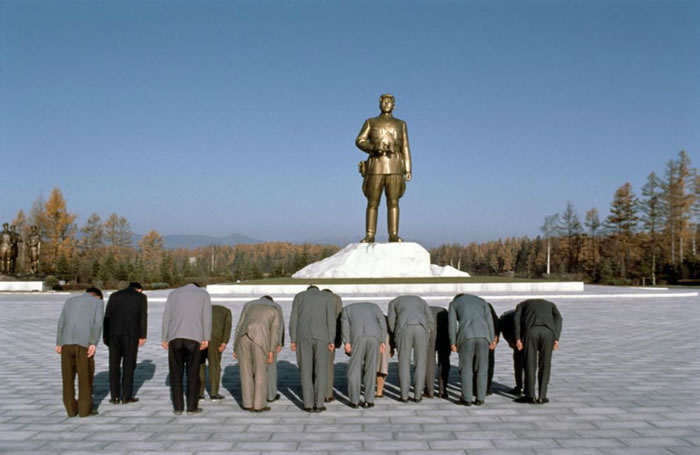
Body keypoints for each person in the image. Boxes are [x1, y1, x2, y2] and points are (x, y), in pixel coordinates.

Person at [355, 93, 412, 242]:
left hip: (395, 166)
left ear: (394, 105)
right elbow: (360, 140)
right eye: (384, 102)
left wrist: (408, 169)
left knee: (393, 202)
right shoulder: (370, 122)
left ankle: (393, 234)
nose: (387, 104)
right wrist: (373, 147)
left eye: (389, 102)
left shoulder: (401, 124)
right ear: (380, 104)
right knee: (372, 202)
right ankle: (370, 234)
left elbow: (405, 147)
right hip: (376, 166)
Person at [162, 283, 212, 415]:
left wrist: (165, 337)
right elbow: (207, 317)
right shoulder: (203, 294)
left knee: (175, 374)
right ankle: (192, 407)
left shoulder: (173, 293)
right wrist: (206, 338)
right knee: (193, 373)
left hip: (175, 337)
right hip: (194, 338)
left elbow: (167, 316)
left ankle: (178, 407)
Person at [55, 287, 104, 417]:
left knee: (67, 377)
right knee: (85, 377)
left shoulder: (69, 301)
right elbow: (98, 324)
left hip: (66, 343)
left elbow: (61, 322)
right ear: (97, 296)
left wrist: (59, 343)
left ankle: (70, 410)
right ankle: (84, 410)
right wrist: (93, 342)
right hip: (84, 343)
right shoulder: (98, 302)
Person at [289, 285, 336, 412]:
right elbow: (331, 320)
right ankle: (319, 403)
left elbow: (294, 319)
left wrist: (293, 339)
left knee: (305, 371)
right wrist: (331, 339)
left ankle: (308, 404)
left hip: (303, 336)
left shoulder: (299, 297)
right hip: (322, 337)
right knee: (321, 371)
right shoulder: (326, 297)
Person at [233, 297, 282, 412]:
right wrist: (271, 351)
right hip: (260, 341)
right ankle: (259, 405)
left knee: (245, 372)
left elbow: (239, 326)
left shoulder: (249, 307)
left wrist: (235, 347)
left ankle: (247, 403)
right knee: (261, 372)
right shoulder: (274, 310)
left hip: (243, 338)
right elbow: (275, 332)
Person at [103, 282, 148, 404]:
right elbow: (143, 316)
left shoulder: (114, 295)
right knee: (129, 364)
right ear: (139, 289)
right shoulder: (141, 297)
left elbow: (107, 316)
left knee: (114, 365)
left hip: (113, 334)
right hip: (131, 334)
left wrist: (105, 336)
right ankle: (126, 396)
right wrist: (143, 335)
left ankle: (115, 396)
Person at [448, 294, 496, 406]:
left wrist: (453, 342)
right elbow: (489, 320)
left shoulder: (454, 304)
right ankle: (480, 398)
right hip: (484, 336)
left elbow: (452, 324)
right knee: (482, 368)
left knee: (466, 368)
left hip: (466, 336)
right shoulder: (482, 301)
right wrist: (492, 338)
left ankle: (467, 399)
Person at [514, 299, 563, 405]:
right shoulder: (551, 305)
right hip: (548, 333)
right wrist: (556, 338)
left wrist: (518, 338)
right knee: (545, 364)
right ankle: (542, 396)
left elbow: (516, 320)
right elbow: (559, 318)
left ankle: (530, 395)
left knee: (530, 363)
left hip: (531, 331)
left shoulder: (521, 305)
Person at [388, 295, 433, 402]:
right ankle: (418, 395)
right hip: (421, 328)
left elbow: (391, 322)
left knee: (403, 363)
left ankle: (404, 396)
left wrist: (396, 334)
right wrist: (428, 329)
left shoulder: (393, 302)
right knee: (421, 363)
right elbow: (430, 318)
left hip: (403, 328)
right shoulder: (421, 300)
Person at [341, 302, 387, 408]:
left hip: (357, 337)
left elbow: (345, 326)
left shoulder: (347, 309)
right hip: (374, 337)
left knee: (354, 369)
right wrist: (382, 340)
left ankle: (354, 401)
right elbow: (382, 323)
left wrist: (347, 342)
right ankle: (369, 400)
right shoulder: (375, 306)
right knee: (371, 369)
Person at [199, 304, 232, 401]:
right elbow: (227, 327)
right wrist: (224, 342)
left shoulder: (200, 309)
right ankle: (214, 393)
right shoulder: (226, 311)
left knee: (199, 365)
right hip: (215, 339)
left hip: (200, 338)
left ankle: (199, 393)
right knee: (214, 366)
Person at [261, 296, 284, 403]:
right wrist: (279, 342)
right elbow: (280, 326)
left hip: (253, 339)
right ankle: (270, 395)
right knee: (270, 368)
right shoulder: (276, 307)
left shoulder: (250, 306)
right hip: (270, 340)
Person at [425, 306, 451, 399]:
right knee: (444, 361)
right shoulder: (444, 312)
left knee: (429, 362)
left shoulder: (425, 310)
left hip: (430, 333)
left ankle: (429, 390)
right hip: (445, 333)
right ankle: (443, 390)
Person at [322, 288, 343, 402]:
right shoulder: (335, 299)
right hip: (330, 337)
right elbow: (339, 319)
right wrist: (338, 339)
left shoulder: (312, 299)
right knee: (328, 366)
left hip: (311, 336)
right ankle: (327, 394)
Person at [498, 306, 525, 396]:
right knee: (527, 364)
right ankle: (525, 387)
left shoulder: (506, 317)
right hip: (526, 339)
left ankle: (520, 387)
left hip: (519, 339)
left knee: (519, 364)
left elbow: (503, 327)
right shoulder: (507, 317)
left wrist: (510, 341)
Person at [375, 314, 393, 398]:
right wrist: (392, 347)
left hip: (370, 335)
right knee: (381, 367)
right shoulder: (385, 319)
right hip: (385, 338)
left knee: (371, 366)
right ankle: (379, 392)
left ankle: (373, 390)